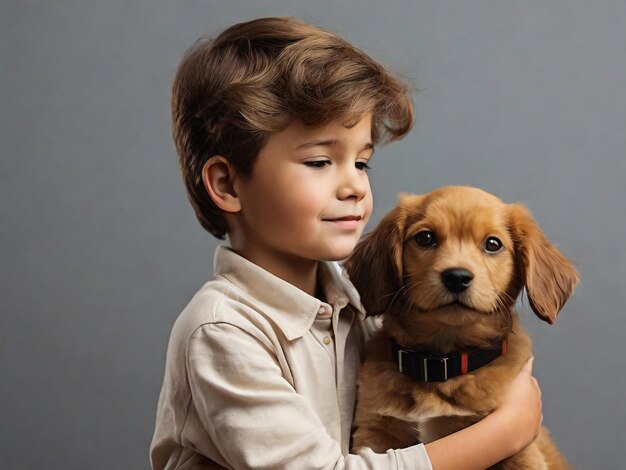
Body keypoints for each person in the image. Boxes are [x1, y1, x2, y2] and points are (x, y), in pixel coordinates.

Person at [150, 17, 543, 470]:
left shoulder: (350, 299)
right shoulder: (221, 331)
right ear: (227, 184)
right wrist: (503, 432)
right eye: (320, 161)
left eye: (361, 163)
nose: (354, 186)